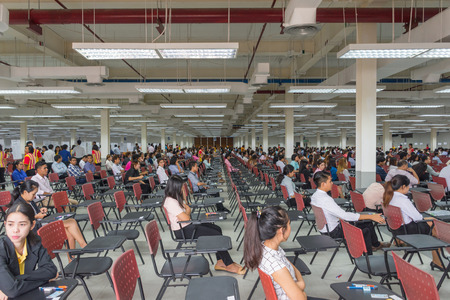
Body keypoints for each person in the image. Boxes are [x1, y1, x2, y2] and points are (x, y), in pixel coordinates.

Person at [163, 175, 245, 275]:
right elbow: (186, 217)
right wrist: (188, 211)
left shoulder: (175, 198)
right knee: (215, 235)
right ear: (175, 187)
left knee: (217, 228)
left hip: (187, 226)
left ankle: (220, 261)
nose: (182, 189)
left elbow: (186, 210)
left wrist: (184, 200)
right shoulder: (171, 201)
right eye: (181, 187)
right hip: (183, 231)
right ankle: (229, 264)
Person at [311, 172, 389, 254]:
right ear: (323, 184)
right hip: (334, 231)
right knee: (366, 225)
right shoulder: (326, 199)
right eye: (330, 181)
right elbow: (345, 216)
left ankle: (374, 245)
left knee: (364, 221)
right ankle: (369, 256)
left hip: (325, 229)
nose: (332, 183)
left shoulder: (315, 196)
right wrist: (370, 216)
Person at [244, 206, 307, 300]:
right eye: (289, 224)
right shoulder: (276, 265)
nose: (290, 228)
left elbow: (294, 269)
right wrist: (301, 284)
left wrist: (297, 285)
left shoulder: (266, 247)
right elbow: (301, 298)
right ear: (281, 230)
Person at [383, 174, 443, 270]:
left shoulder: (390, 197)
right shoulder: (403, 201)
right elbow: (418, 218)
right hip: (409, 230)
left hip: (397, 230)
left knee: (433, 222)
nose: (409, 188)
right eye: (408, 186)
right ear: (403, 187)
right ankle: (437, 261)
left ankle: (437, 261)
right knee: (437, 228)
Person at [0, 201, 58, 299]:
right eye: (10, 224)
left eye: (22, 224)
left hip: (21, 292)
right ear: (5, 224)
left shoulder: (35, 242)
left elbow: (51, 270)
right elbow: (12, 290)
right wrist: (45, 279)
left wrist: (16, 280)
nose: (15, 230)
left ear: (32, 225)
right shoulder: (1, 247)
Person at [9, 181, 86, 251]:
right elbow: (22, 222)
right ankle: (84, 245)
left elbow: (35, 212)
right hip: (36, 228)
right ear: (25, 192)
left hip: (41, 222)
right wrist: (36, 217)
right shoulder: (18, 205)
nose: (35, 196)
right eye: (33, 194)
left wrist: (40, 211)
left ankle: (71, 259)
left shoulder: (29, 200)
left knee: (69, 234)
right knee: (71, 222)